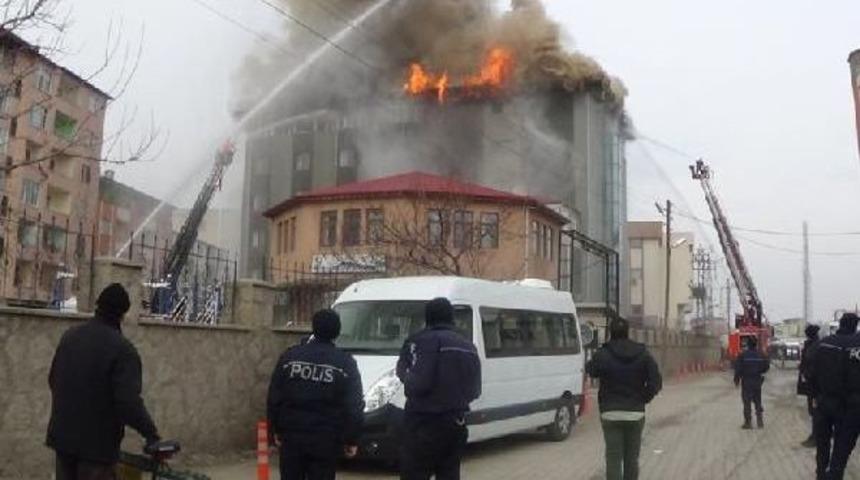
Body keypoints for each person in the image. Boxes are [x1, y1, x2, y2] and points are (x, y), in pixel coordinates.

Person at [46, 283, 160, 480]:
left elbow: (53, 379)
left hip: (63, 441)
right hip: (97, 450)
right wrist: (151, 435)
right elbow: (128, 403)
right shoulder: (123, 351)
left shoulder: (70, 337)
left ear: (98, 306)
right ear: (123, 314)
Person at [267, 309, 364, 480]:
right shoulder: (345, 363)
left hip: (292, 434)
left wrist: (274, 429)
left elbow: (275, 396)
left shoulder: (290, 357)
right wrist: (351, 439)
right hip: (326, 438)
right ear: (337, 331)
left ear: (313, 328)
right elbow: (354, 406)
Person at [396, 297, 482, 480]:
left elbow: (415, 381)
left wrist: (407, 378)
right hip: (455, 425)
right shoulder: (468, 346)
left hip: (423, 424)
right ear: (451, 317)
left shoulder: (418, 342)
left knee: (415, 473)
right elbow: (475, 390)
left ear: (428, 318)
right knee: (449, 473)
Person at [586, 317, 662, 480]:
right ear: (627, 332)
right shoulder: (643, 354)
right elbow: (656, 382)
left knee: (613, 458)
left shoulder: (604, 353)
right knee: (631, 459)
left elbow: (591, 370)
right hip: (635, 413)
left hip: (610, 412)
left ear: (610, 333)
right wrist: (643, 398)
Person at [809, 313, 860, 480]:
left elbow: (811, 373)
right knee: (841, 450)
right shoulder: (856, 346)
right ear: (855, 325)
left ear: (840, 324)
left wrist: (815, 395)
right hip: (848, 407)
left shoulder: (823, 344)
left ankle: (821, 474)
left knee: (822, 444)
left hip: (823, 403)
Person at [733, 336, 770, 429]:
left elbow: (738, 369)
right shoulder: (761, 355)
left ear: (748, 344)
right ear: (756, 344)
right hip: (757, 381)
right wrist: (759, 371)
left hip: (746, 381)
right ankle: (760, 421)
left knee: (747, 402)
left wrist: (736, 379)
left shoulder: (742, 355)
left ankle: (748, 423)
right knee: (758, 401)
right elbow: (766, 367)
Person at [798, 324, 821, 447]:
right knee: (813, 411)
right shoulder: (812, 344)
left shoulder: (815, 347)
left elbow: (811, 366)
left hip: (814, 385)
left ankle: (816, 437)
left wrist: (806, 374)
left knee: (815, 411)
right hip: (812, 384)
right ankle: (817, 435)